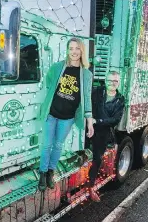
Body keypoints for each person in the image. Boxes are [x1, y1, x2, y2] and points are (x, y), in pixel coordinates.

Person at [38, 37, 94, 191]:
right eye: (71, 48)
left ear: (81, 51)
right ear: (68, 51)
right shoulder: (58, 67)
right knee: (47, 145)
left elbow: (87, 97)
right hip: (52, 114)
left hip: (67, 118)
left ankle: (50, 172)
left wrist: (89, 121)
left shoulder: (86, 75)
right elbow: (49, 82)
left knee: (57, 145)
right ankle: (42, 173)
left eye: (77, 48)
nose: (74, 52)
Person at [86, 71, 125, 201]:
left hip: (102, 132)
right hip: (88, 126)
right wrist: (89, 120)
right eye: (110, 80)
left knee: (97, 159)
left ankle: (91, 188)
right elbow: (88, 105)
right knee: (80, 154)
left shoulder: (120, 100)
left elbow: (115, 120)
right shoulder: (97, 91)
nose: (112, 83)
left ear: (118, 83)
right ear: (105, 80)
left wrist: (98, 121)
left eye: (115, 81)